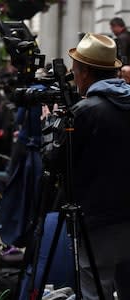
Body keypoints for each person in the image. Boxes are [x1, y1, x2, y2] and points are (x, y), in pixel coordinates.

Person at [67, 32, 130, 299]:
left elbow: (61, 163)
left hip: (98, 219)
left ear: (85, 73)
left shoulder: (85, 111)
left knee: (94, 289)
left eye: (74, 70)